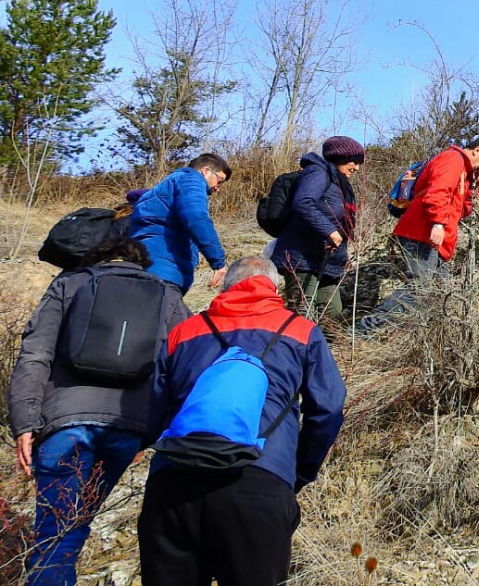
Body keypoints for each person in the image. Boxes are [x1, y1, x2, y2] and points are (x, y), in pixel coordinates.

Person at [138, 256, 346, 586]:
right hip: (260, 481)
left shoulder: (184, 331)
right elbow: (329, 408)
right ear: (275, 288)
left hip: (174, 481)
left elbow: (152, 407)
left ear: (224, 286)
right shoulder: (301, 331)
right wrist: (299, 472)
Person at [8, 238, 188, 586]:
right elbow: (183, 365)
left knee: (55, 529)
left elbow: (34, 355)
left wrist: (25, 422)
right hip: (126, 427)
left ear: (97, 258)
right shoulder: (167, 296)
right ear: (142, 263)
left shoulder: (69, 285)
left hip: (64, 424)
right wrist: (153, 430)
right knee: (74, 522)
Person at [356, 137, 479, 331]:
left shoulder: (465, 172)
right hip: (423, 233)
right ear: (477, 150)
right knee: (419, 288)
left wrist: (474, 185)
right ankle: (365, 331)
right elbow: (437, 192)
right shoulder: (453, 159)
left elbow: (463, 211)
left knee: (438, 293)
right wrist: (438, 225)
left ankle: (416, 339)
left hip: (437, 241)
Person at [268, 136, 364, 322]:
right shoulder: (317, 173)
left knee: (332, 313)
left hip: (327, 261)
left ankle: (321, 350)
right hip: (302, 258)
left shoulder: (340, 183)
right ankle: (294, 349)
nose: (357, 168)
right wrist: (329, 231)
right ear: (339, 157)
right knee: (302, 315)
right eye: (354, 161)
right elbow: (303, 202)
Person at [128, 153, 231, 293]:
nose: (217, 188)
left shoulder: (164, 187)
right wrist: (218, 262)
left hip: (141, 265)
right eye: (219, 181)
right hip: (164, 271)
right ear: (206, 171)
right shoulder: (191, 180)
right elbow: (195, 217)